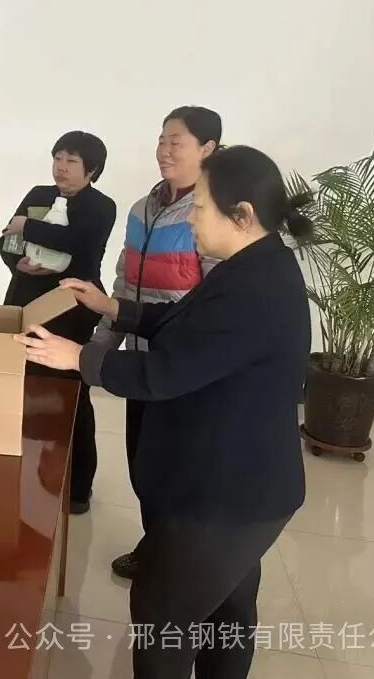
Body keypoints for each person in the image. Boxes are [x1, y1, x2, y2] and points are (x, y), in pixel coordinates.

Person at [15, 145, 313, 678]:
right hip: (239, 483)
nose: (191, 218)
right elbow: (186, 327)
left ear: (242, 215)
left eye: (200, 207)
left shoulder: (254, 289)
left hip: (226, 495)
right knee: (225, 612)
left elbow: (168, 371)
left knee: (161, 619)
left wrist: (79, 357)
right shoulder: (254, 265)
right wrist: (113, 307)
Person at [92, 106, 222, 578]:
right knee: (143, 463)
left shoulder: (213, 214)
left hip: (184, 368)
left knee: (179, 468)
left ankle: (180, 559)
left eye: (176, 141)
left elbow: (218, 299)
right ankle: (156, 546)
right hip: (141, 362)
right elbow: (124, 284)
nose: (164, 150)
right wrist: (102, 343)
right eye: (161, 140)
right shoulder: (140, 209)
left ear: (207, 149)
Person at [0, 131, 117, 514]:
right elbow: (7, 238)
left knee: (70, 396)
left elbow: (78, 242)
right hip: (27, 301)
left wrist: (26, 226)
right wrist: (17, 261)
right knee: (24, 388)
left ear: (92, 170)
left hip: (71, 311)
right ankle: (25, 470)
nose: (61, 167)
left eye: (71, 161)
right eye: (58, 158)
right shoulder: (38, 194)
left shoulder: (101, 206)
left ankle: (77, 486)